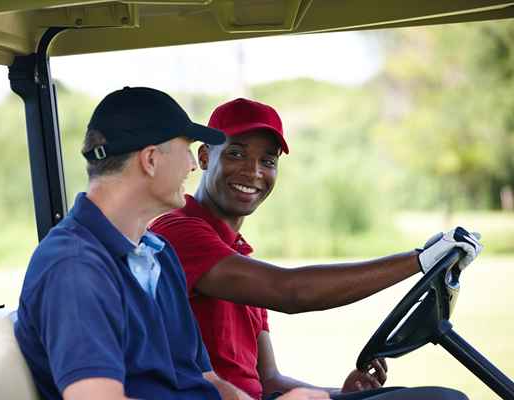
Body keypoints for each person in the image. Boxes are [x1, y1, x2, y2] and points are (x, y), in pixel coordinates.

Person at [150, 98, 483, 400]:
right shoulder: (177, 230)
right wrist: (418, 261)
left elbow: (268, 381)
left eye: (267, 161)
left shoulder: (239, 258)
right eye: (236, 153)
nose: (253, 172)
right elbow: (291, 292)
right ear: (206, 156)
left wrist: (343, 392)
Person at [14, 88, 331, 400]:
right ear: (151, 159)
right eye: (187, 149)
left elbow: (207, 381)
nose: (193, 165)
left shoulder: (158, 255)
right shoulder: (75, 266)